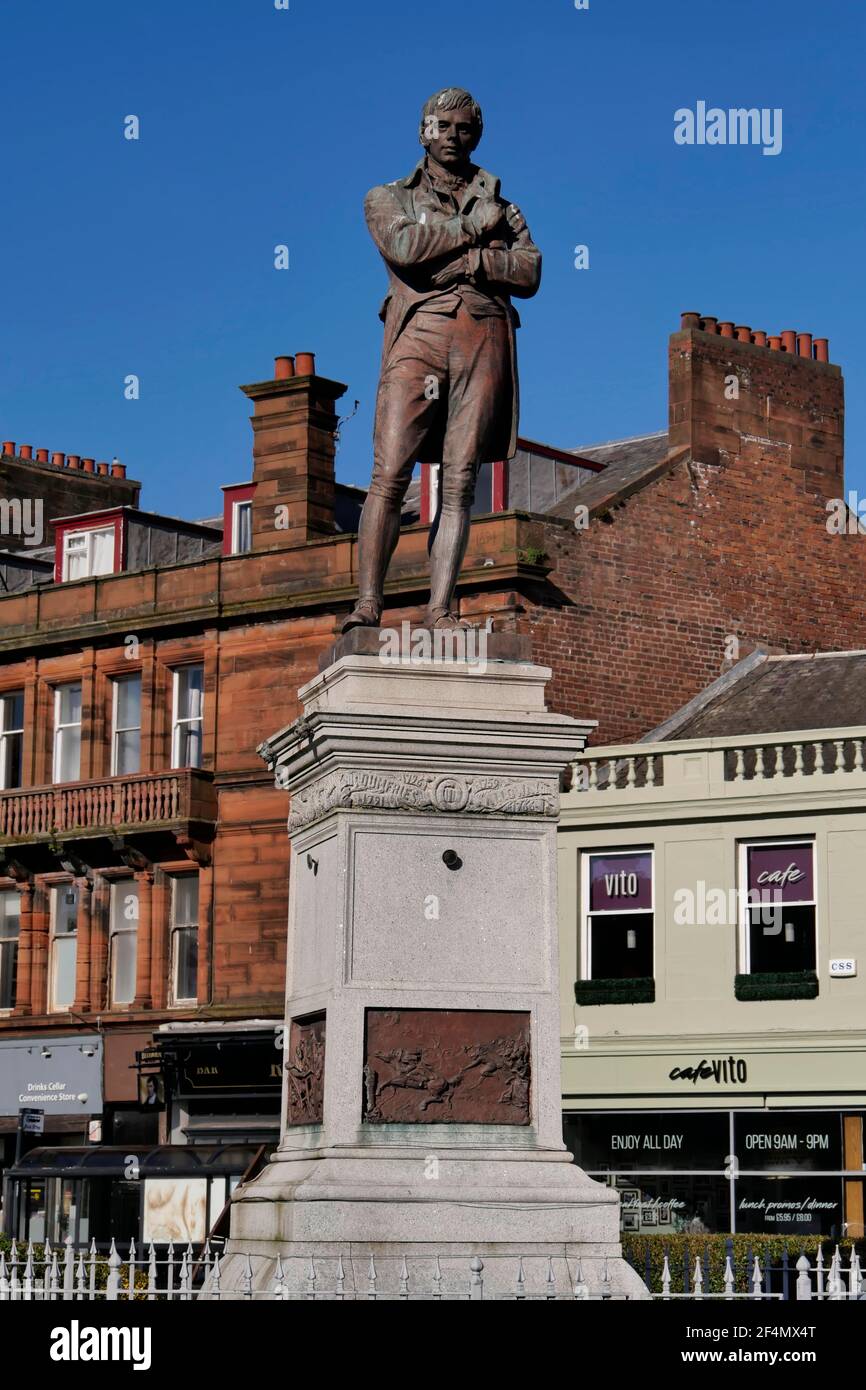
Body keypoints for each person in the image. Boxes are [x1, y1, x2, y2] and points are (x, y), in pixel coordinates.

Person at [343, 86, 541, 632]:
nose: (455, 137)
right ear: (424, 131)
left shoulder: (502, 199)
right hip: (419, 336)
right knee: (389, 474)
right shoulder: (388, 197)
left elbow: (529, 271)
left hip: (484, 337)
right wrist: (480, 229)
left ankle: (441, 609)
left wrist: (472, 261)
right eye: (444, 126)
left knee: (460, 481)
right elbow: (407, 249)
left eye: (465, 128)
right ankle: (368, 605)